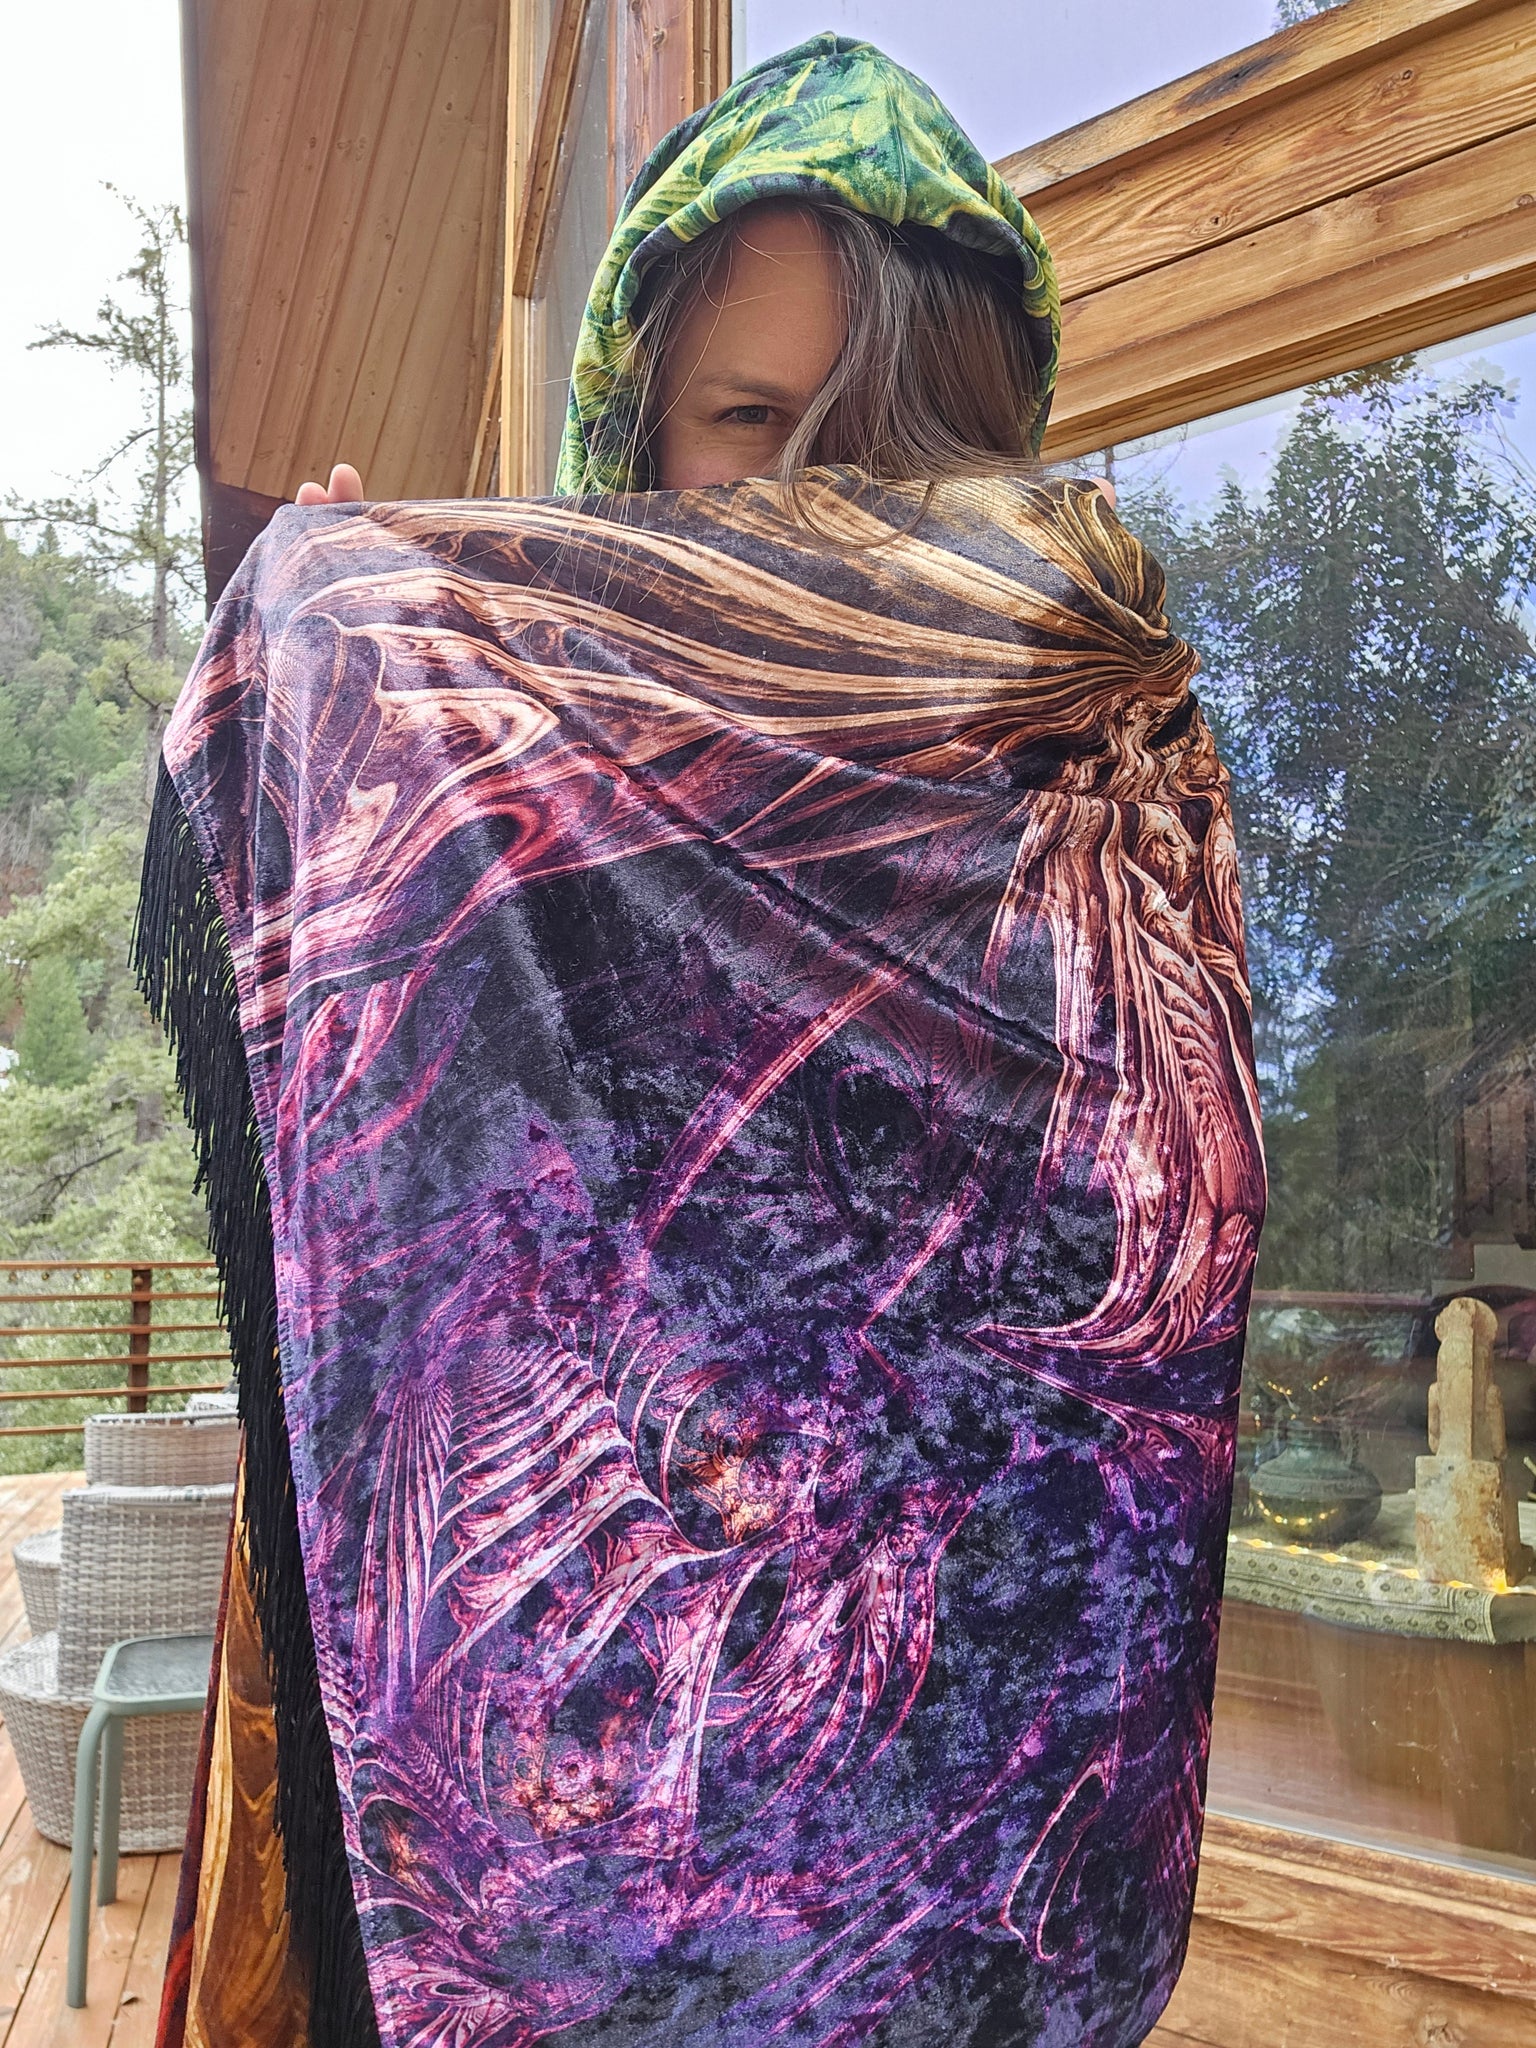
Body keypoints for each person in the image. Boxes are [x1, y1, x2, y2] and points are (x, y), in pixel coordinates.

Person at [147, 34, 1261, 2048]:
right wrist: (382, 669)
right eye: (753, 422)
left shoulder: (1096, 765)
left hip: (969, 1840)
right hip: (578, 1828)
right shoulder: (524, 776)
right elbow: (432, 1243)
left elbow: (1151, 1257)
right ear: (639, 437)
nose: (824, 502)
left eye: (900, 446)